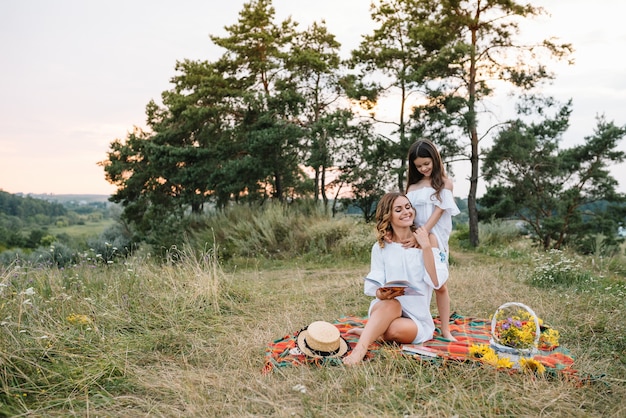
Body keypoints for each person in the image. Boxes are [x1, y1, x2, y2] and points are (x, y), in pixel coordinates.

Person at [343, 192, 449, 365]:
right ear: (388, 216)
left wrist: (426, 247)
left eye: (408, 207)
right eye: (398, 210)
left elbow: (436, 282)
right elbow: (376, 284)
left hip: (416, 319)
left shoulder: (428, 239)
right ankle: (359, 351)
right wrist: (381, 294)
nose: (406, 212)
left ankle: (371, 331)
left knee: (394, 331)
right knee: (393, 303)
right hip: (386, 307)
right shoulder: (381, 247)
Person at [405, 139, 460, 341]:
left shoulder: (444, 184)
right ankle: (417, 323)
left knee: (439, 284)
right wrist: (411, 235)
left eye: (427, 163)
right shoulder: (412, 186)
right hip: (413, 238)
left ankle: (445, 329)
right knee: (416, 283)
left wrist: (423, 235)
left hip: (433, 237)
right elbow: (408, 213)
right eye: (418, 166)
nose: (423, 168)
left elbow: (438, 213)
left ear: (435, 160)